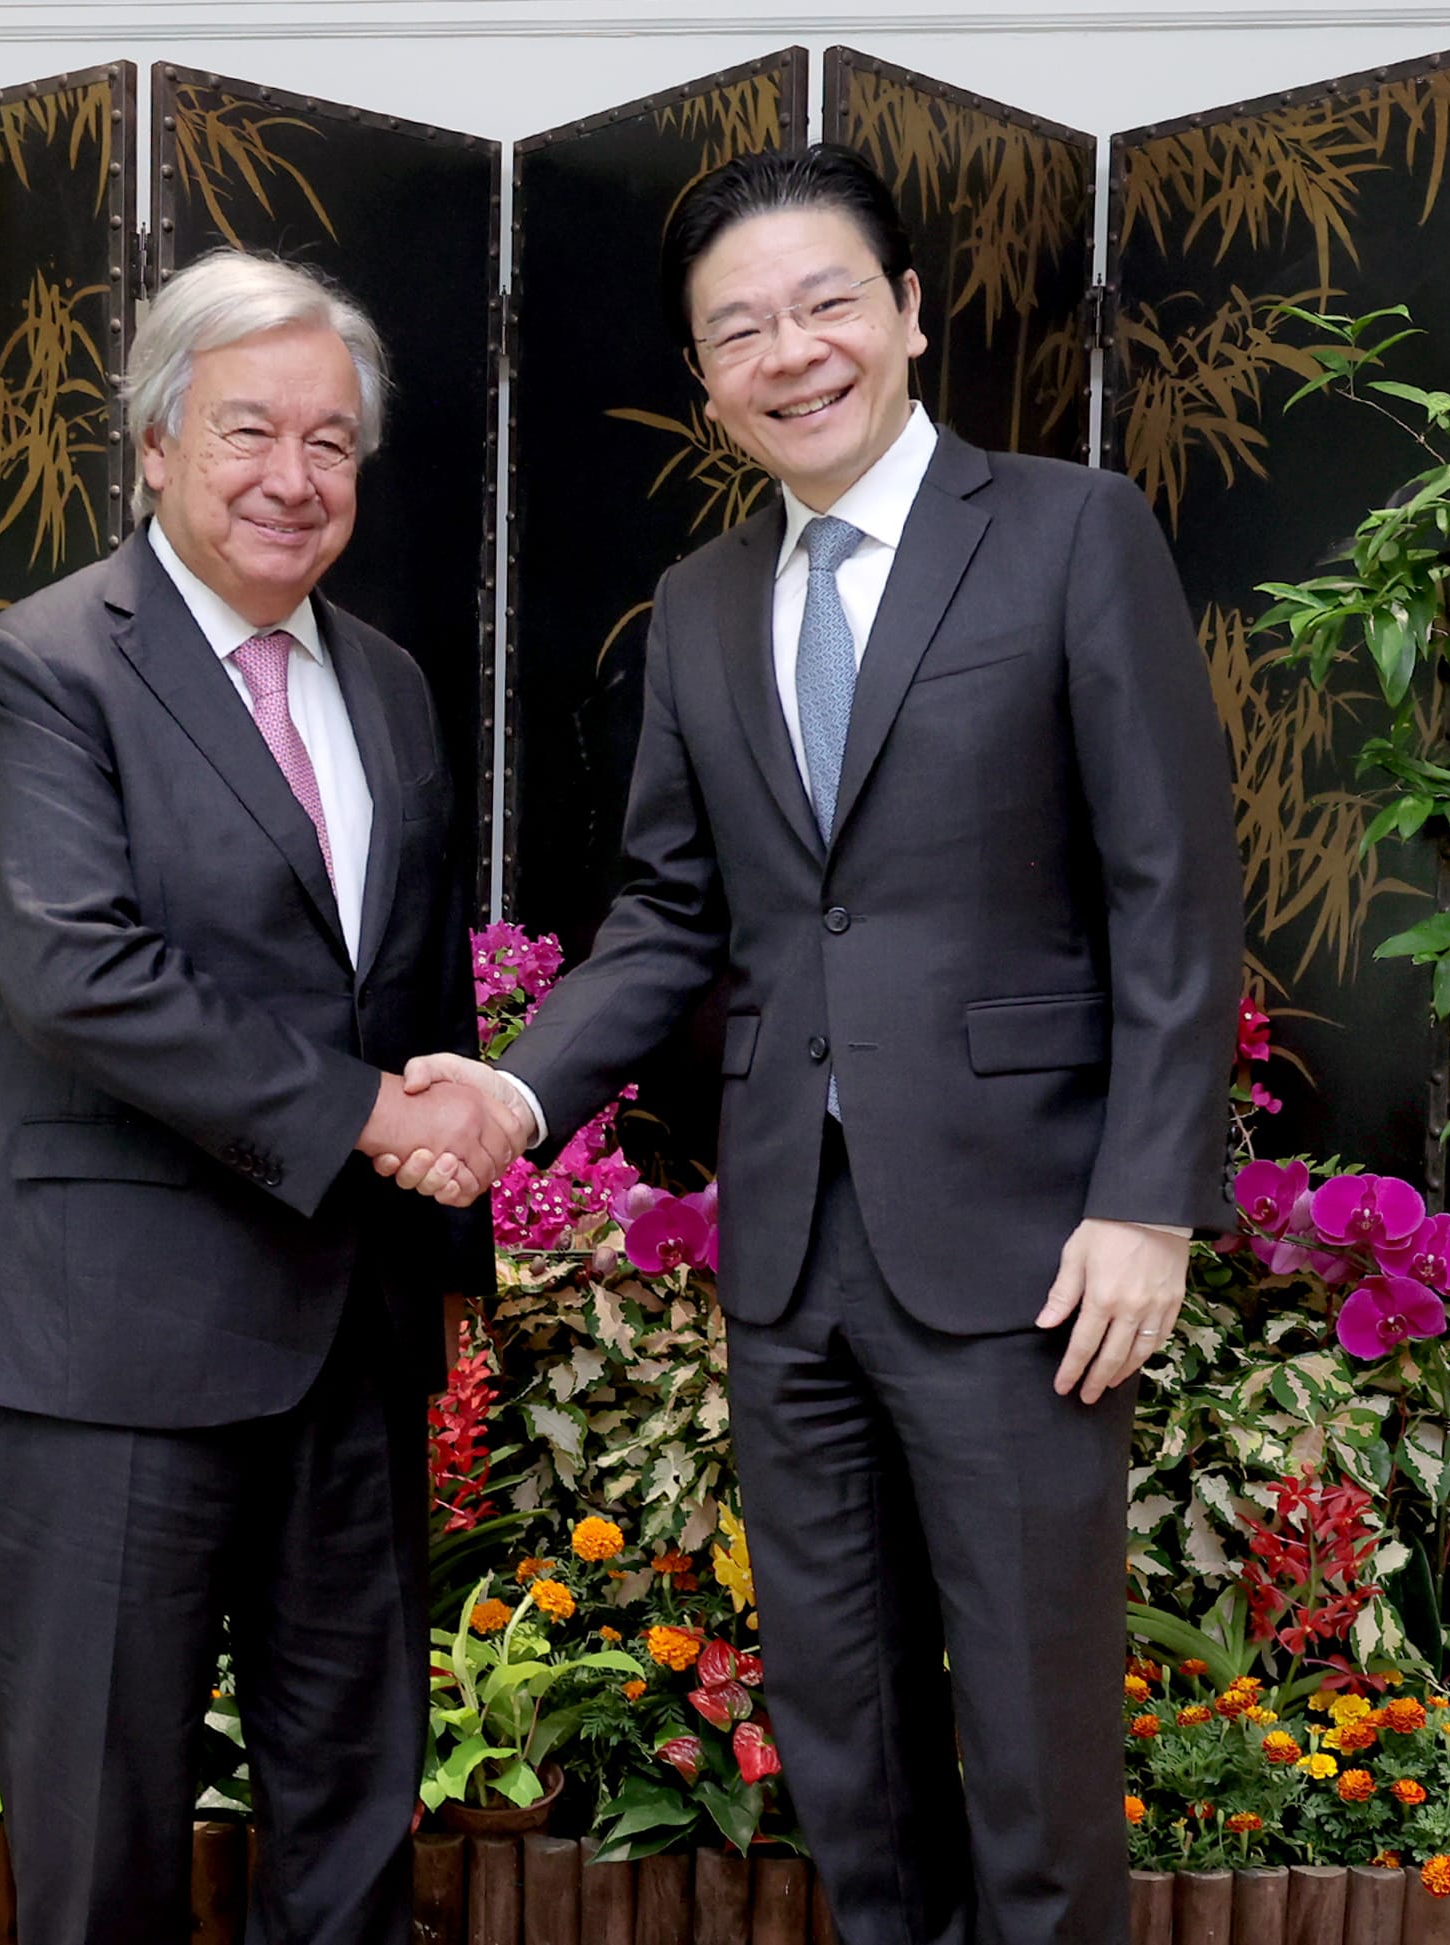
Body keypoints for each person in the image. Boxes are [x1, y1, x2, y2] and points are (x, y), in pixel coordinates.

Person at [393, 147, 1241, 1945]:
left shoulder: (1071, 532)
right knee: (843, 1741)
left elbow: (1171, 888)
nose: (792, 352)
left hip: (1025, 1249)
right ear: (705, 376)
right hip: (788, 1251)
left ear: (910, 313)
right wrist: (517, 1084)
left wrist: (1148, 1202)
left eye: (826, 302)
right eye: (740, 329)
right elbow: (671, 919)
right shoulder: (703, 604)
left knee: (1028, 1740)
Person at [0, 249, 524, 1945]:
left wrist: (446, 1209)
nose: (293, 476)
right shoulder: (43, 664)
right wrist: (371, 1115)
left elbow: (405, 997)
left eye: (331, 442)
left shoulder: (392, 684)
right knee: (102, 1832)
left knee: (351, 1814)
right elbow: (79, 972)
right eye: (247, 430)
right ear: (150, 443)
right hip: (109, 1346)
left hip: (348, 1337)